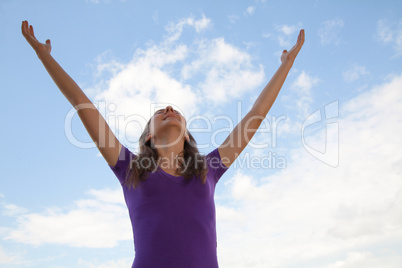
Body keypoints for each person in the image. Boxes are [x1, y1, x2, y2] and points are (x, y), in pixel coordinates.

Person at [21, 20, 304, 268]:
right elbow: (82, 105)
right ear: (148, 137)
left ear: (187, 136)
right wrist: (44, 56)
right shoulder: (129, 169)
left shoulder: (209, 169)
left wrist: (286, 66)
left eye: (175, 111)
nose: (169, 108)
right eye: (160, 113)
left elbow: (255, 115)